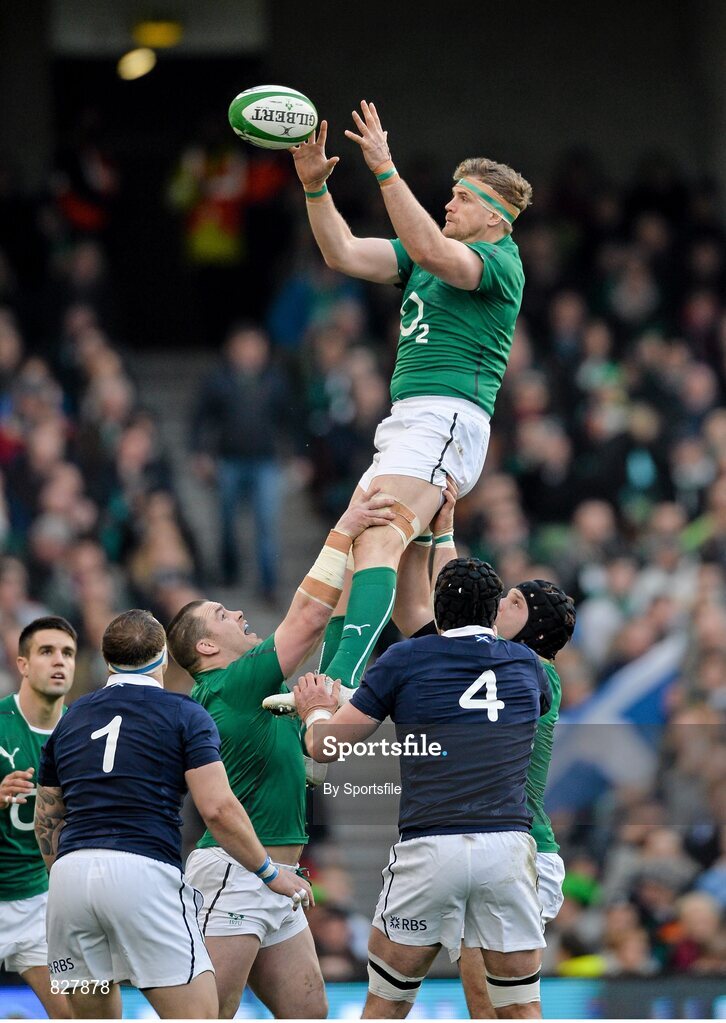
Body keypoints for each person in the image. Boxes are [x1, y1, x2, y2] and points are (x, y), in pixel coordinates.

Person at [288, 101, 533, 691]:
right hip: (409, 422)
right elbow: (341, 251)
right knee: (384, 579)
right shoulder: (425, 258)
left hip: (446, 419)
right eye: (449, 194)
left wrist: (384, 168)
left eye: (462, 197)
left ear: (497, 217)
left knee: (376, 532)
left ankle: (339, 686)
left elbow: (429, 249)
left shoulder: (499, 262)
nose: (448, 203)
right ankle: (349, 699)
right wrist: (316, 189)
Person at [165, 488, 395, 1019]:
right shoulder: (230, 687)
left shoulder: (256, 696)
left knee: (309, 1015)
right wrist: (344, 527)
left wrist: (359, 558)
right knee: (206, 1016)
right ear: (205, 647)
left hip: (279, 881)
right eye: (223, 614)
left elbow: (328, 626)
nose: (239, 612)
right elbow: (310, 618)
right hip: (237, 873)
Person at [294, 558, 551, 1019]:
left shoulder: (406, 659)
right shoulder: (527, 665)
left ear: (437, 608)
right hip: (507, 847)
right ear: (493, 612)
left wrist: (315, 709)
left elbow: (325, 747)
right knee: (519, 1008)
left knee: (387, 1006)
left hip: (431, 846)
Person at [35, 609, 312, 1021]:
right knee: (202, 1015)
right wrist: (270, 873)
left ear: (108, 662)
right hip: (141, 871)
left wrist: (66, 874)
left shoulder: (72, 717)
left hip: (69, 881)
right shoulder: (184, 713)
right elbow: (217, 807)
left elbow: (48, 814)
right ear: (164, 657)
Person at [390, 489, 576, 1017]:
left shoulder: (530, 670)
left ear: (534, 632)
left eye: (513, 603)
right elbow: (416, 612)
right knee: (484, 1002)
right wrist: (420, 539)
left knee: (503, 1006)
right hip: (486, 844)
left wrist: (442, 531)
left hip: (521, 847)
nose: (498, 605)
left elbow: (453, 614)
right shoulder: (494, 662)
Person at [0, 616, 76, 1020]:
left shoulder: (83, 736)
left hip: (38, 902)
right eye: (46, 652)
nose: (58, 661)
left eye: (67, 653)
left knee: (76, 1010)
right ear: (23, 664)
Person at [190, 322, 294, 597]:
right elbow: (201, 418)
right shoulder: (218, 380)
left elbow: (292, 420)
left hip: (266, 462)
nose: (250, 353)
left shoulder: (275, 380)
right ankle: (229, 571)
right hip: (229, 460)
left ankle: (269, 583)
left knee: (267, 524)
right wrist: (201, 453)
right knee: (225, 521)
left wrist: (298, 455)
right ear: (232, 350)